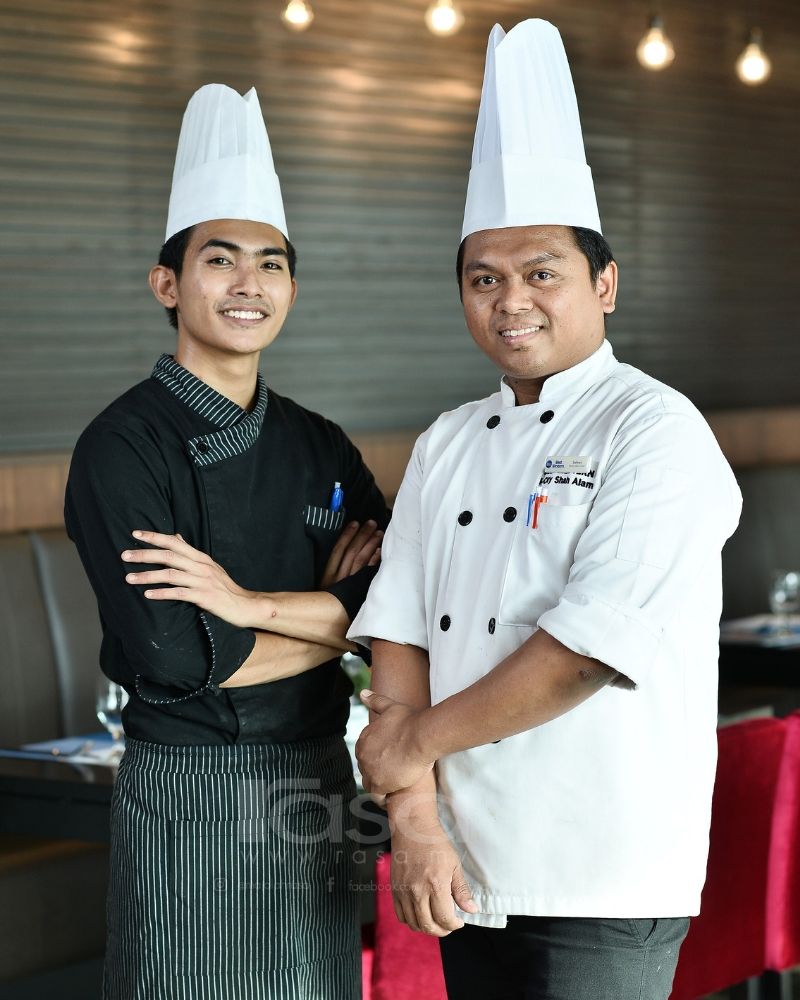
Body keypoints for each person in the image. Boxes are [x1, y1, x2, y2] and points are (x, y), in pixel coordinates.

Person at [349, 19, 742, 1000]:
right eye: (483, 279)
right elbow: (398, 633)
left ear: (602, 284)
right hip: (464, 864)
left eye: (540, 274)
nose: (508, 300)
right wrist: (416, 821)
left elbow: (584, 648)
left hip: (602, 866)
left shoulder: (654, 430)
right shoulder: (444, 441)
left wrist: (409, 748)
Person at [65, 84, 390, 999]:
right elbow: (170, 659)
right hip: (197, 793)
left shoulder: (318, 441)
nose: (250, 284)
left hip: (321, 779)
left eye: (272, 263)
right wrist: (338, 623)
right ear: (168, 284)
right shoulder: (123, 447)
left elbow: (405, 605)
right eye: (221, 260)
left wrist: (250, 617)